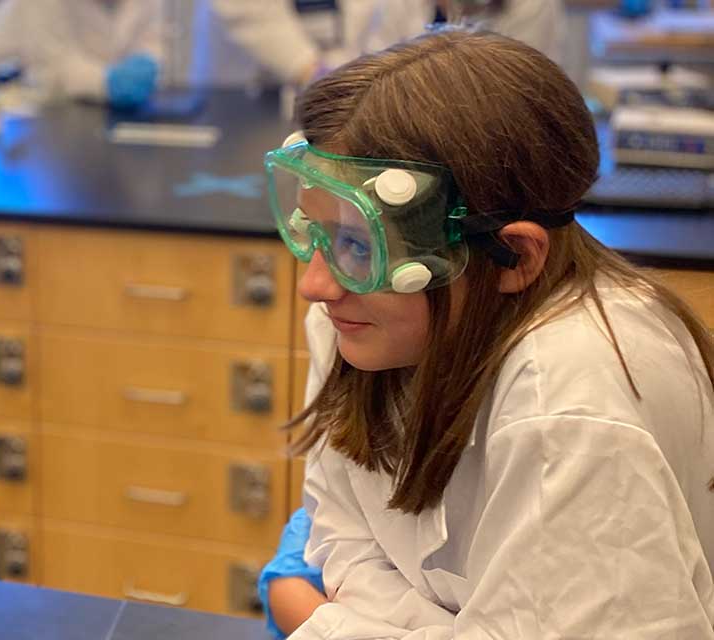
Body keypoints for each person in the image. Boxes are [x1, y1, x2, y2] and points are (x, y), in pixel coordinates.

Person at [258, 27, 714, 638]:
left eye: (358, 244)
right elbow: (340, 535)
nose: (314, 285)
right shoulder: (358, 319)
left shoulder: (570, 405)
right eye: (318, 234)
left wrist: (335, 624)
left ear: (515, 256)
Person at [209, 0, 566, 87]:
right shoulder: (404, 5)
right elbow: (383, 66)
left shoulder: (530, 6)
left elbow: (523, 84)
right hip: (264, 87)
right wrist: (309, 67)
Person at [0, 0, 165, 109]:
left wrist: (146, 60)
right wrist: (107, 82)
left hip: (75, 100)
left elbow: (152, 38)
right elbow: (53, 64)